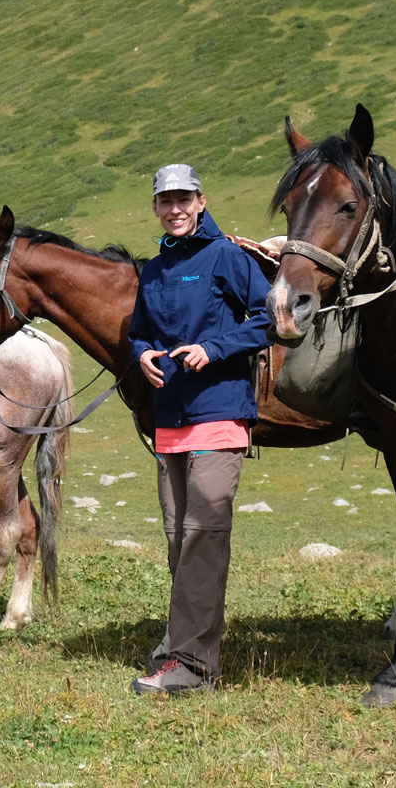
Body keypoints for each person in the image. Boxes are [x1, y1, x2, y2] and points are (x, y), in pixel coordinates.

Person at [126, 164, 272, 695]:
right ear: (157, 208)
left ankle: (193, 667)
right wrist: (141, 354)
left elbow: (268, 317)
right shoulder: (156, 269)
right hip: (170, 421)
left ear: (201, 201)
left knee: (202, 541)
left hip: (218, 413)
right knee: (177, 542)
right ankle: (185, 643)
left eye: (183, 199)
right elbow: (138, 332)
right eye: (165, 201)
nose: (175, 208)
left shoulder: (227, 257)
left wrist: (214, 348)